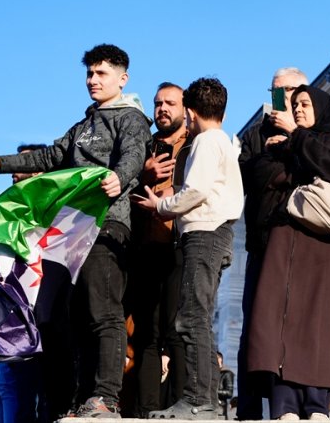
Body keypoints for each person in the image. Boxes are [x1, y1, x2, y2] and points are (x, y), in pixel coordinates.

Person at [0, 43, 152, 418]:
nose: (93, 80)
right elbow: (49, 157)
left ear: (122, 78)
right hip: (71, 235)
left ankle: (107, 397)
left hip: (107, 225)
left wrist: (120, 177)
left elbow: (135, 153)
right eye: (89, 73)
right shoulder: (84, 125)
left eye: (101, 74)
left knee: (104, 313)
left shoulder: (130, 119)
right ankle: (84, 399)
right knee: (77, 318)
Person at [133, 77, 244, 420]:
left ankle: (197, 400)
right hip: (216, 235)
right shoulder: (222, 140)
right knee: (199, 319)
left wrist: (161, 207)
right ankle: (206, 401)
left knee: (191, 318)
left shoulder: (207, 142)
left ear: (191, 114)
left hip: (204, 235)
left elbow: (195, 191)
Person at [246, 85, 330, 420]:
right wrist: (286, 150)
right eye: (294, 105)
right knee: (280, 320)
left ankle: (317, 404)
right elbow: (263, 175)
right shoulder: (281, 143)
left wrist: (296, 140)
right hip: (285, 238)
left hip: (326, 245)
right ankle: (285, 405)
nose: (297, 110)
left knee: (319, 322)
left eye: (305, 104)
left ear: (321, 108)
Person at [237, 66, 309, 421]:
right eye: (276, 90)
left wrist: (296, 135)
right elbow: (242, 181)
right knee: (256, 325)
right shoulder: (255, 135)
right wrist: (266, 153)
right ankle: (249, 410)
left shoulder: (316, 129)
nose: (283, 97)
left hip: (305, 244)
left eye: (291, 90)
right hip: (262, 242)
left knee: (300, 323)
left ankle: (297, 405)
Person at [128, 82, 191, 417]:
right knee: (146, 335)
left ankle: (181, 406)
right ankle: (146, 411)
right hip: (144, 248)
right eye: (158, 103)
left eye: (170, 103)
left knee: (177, 329)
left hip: (180, 246)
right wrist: (144, 174)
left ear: (184, 108)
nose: (163, 109)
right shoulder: (143, 145)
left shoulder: (195, 144)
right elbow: (122, 187)